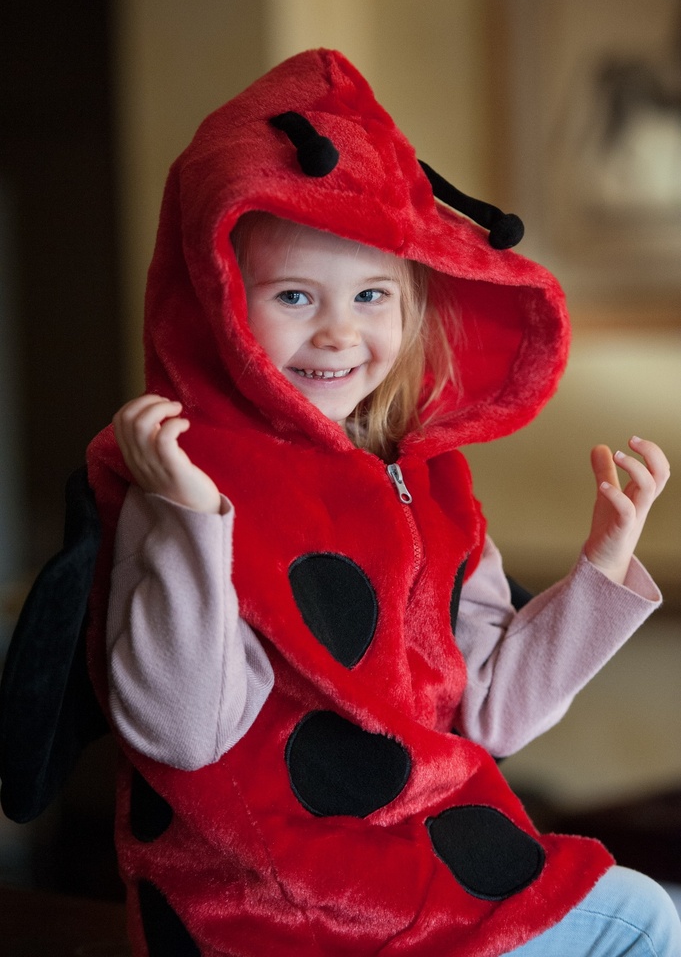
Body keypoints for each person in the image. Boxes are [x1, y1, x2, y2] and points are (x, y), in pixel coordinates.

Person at [85, 49, 677, 956]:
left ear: (413, 306)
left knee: (641, 910)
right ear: (220, 308)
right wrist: (191, 522)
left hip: (422, 863)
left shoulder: (431, 481)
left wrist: (598, 568)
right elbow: (181, 732)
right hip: (269, 904)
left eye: (370, 296)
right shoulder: (184, 483)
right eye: (292, 296)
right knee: (639, 919)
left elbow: (491, 715)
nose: (338, 332)